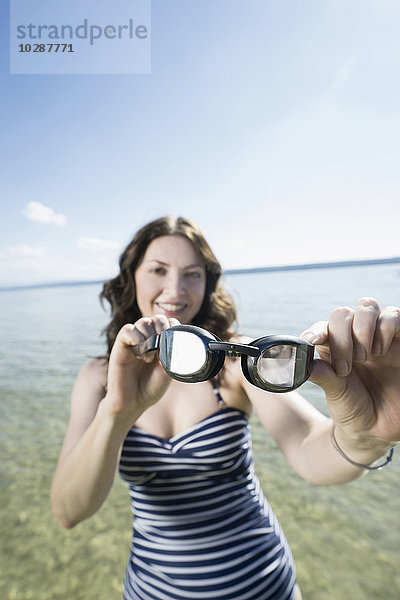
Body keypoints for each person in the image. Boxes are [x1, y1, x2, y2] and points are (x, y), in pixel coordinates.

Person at [51, 216, 400, 600]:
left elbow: (309, 448)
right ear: (131, 276)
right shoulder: (98, 378)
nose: (175, 289)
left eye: (192, 274)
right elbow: (69, 512)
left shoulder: (235, 362)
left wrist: (365, 438)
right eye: (158, 270)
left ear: (208, 282)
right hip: (152, 589)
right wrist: (117, 410)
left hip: (263, 585)